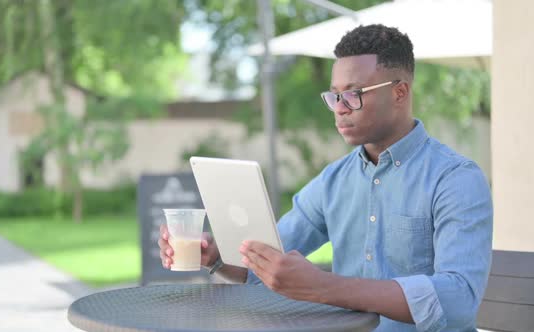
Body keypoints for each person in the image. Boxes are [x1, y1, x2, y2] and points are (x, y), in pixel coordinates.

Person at [158, 24, 493, 332]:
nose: (340, 108)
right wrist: (218, 257)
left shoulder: (455, 179)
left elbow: (458, 301)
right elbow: (269, 266)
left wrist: (324, 286)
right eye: (334, 96)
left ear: (400, 92)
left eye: (353, 94)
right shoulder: (334, 181)